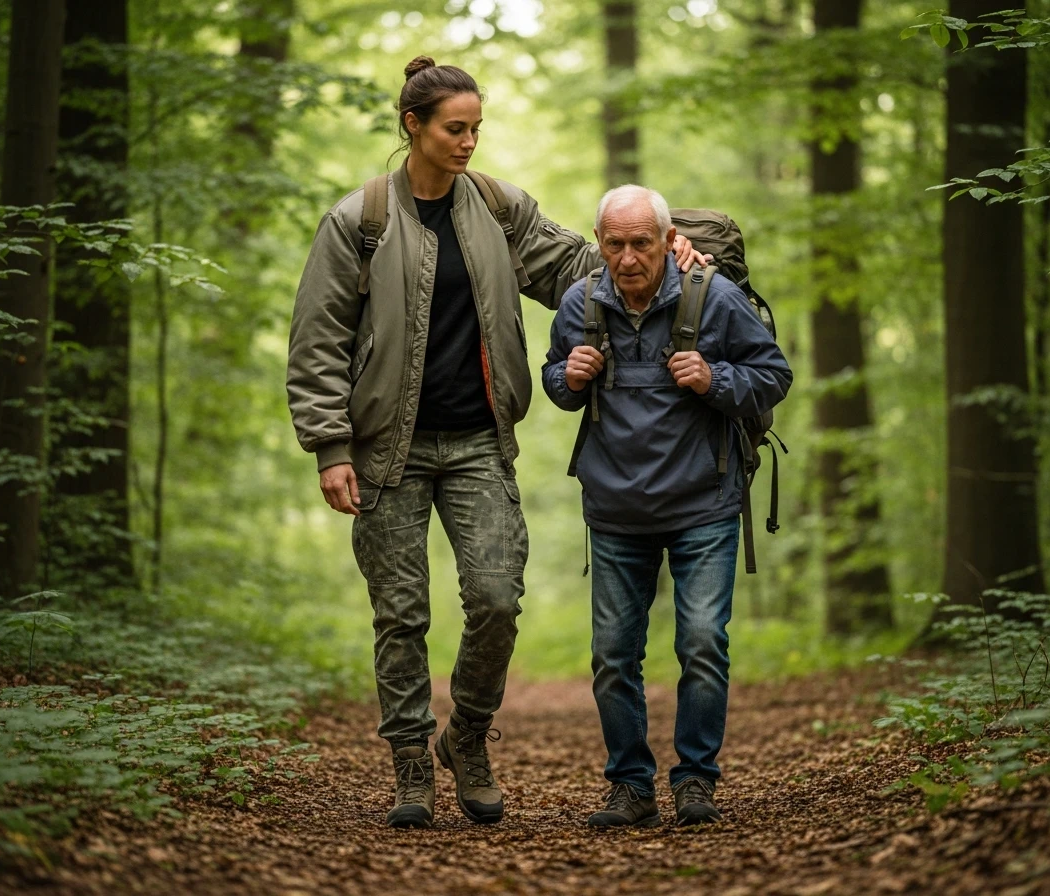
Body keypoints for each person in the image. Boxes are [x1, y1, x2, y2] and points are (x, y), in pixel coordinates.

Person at [286, 58, 706, 829]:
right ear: (412, 125)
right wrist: (329, 444)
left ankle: (467, 737)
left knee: (496, 600)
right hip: (386, 448)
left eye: (477, 127)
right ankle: (412, 766)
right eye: (455, 128)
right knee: (401, 613)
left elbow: (591, 268)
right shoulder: (360, 221)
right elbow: (317, 343)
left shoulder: (498, 209)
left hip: (481, 441)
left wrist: (678, 249)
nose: (470, 141)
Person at [542, 185, 792, 827]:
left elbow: (774, 374)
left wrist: (716, 379)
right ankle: (630, 784)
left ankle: (695, 781)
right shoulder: (579, 303)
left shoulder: (714, 297)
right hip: (616, 509)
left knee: (704, 643)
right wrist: (565, 376)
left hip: (703, 503)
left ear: (665, 240)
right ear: (599, 244)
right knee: (611, 655)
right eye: (614, 244)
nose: (628, 258)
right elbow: (557, 385)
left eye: (641, 243)